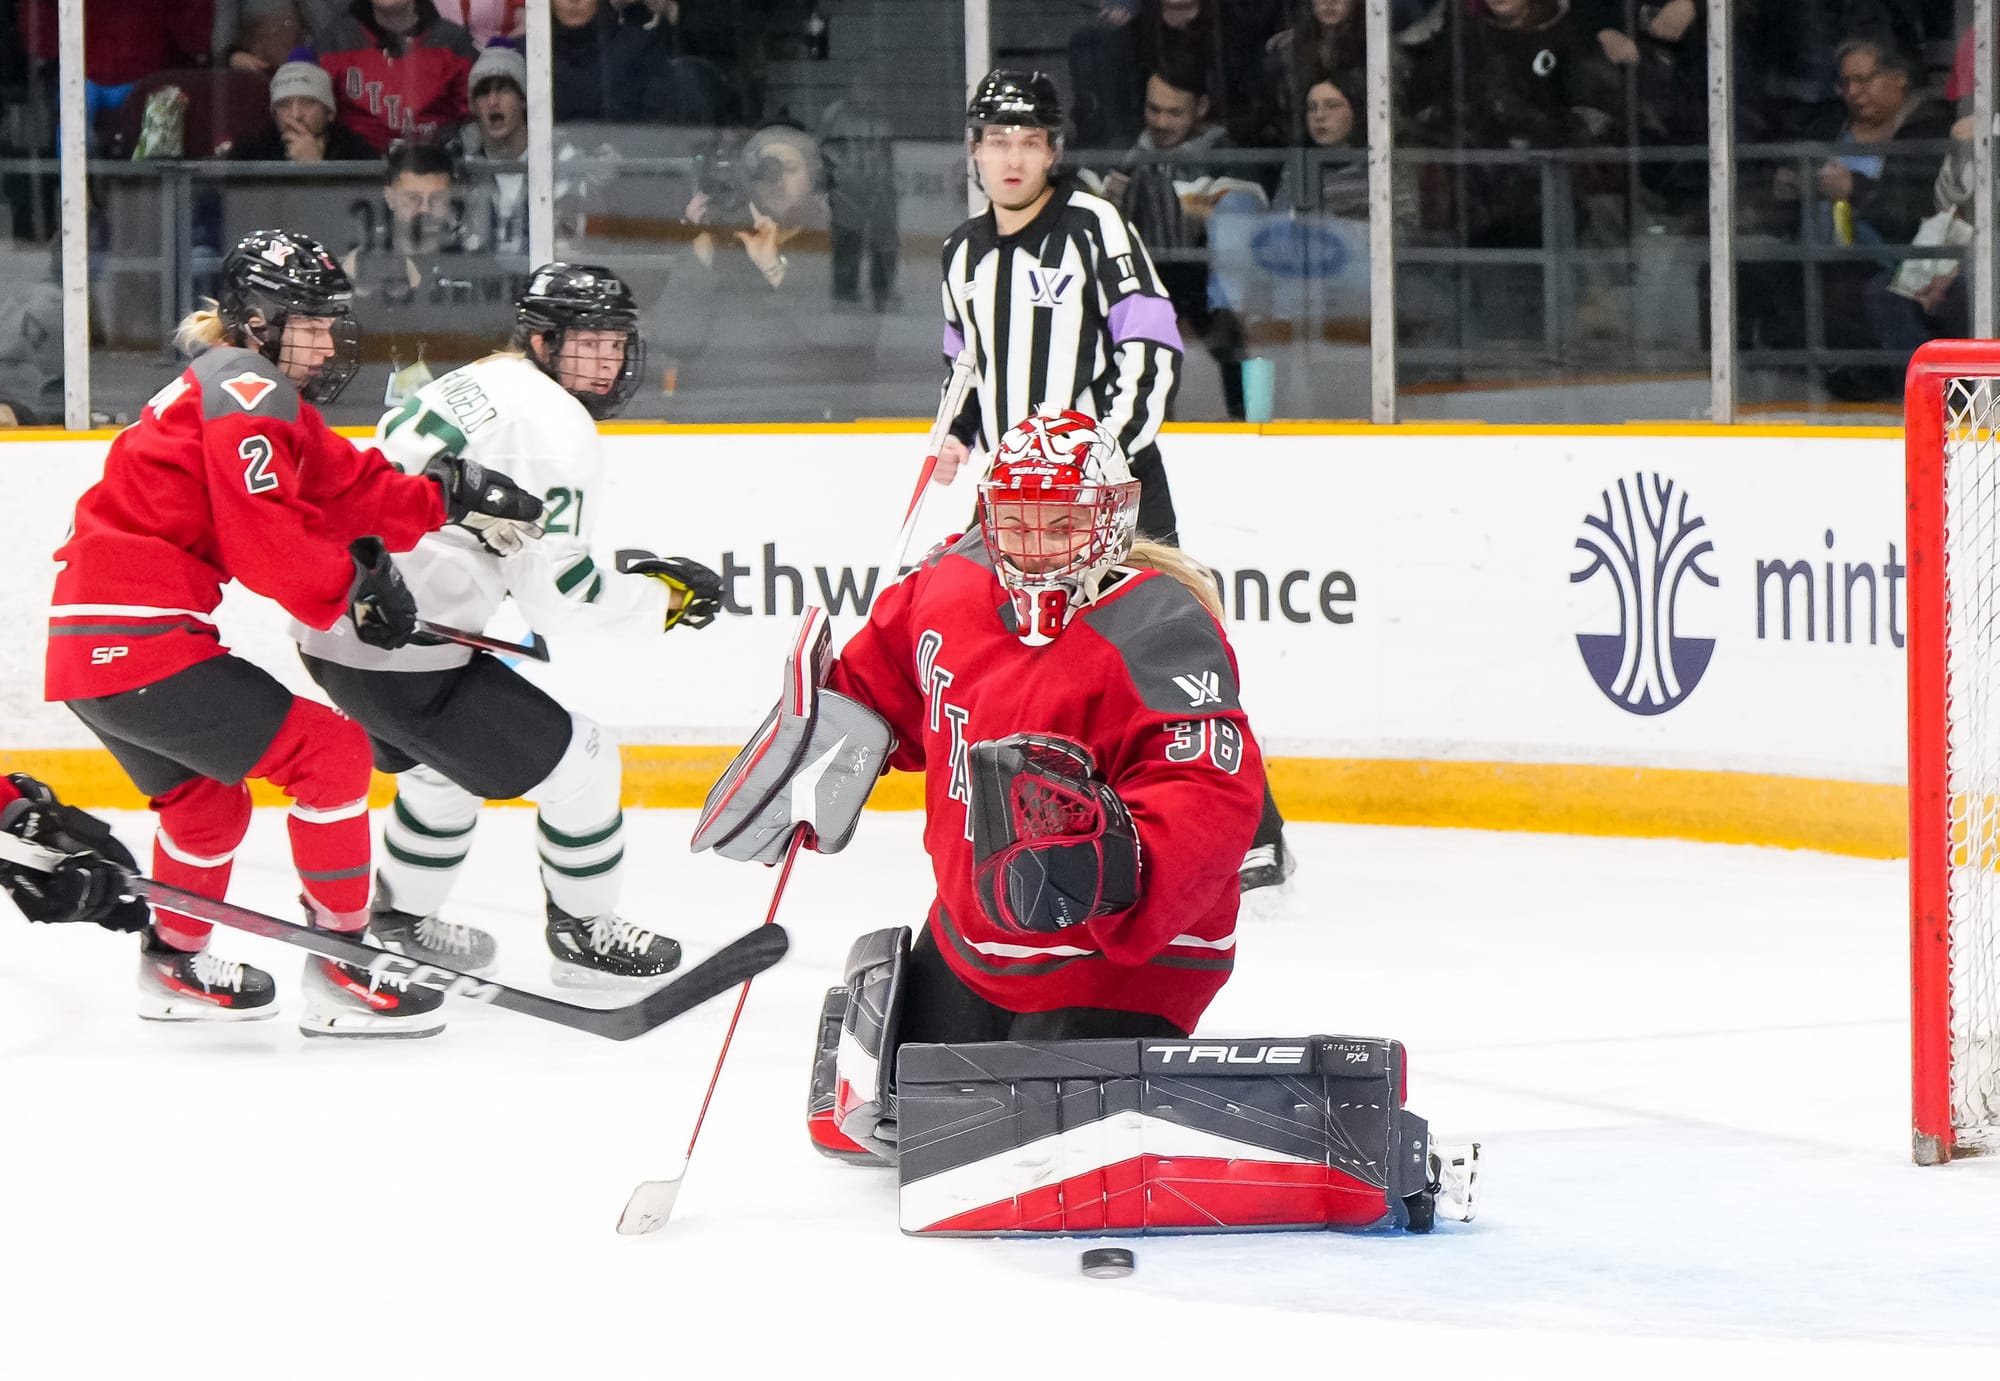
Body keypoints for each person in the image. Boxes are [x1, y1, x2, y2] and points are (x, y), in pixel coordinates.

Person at [691, 411, 1262, 1155]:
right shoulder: (952, 582)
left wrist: (1111, 862)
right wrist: (825, 734)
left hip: (1119, 964)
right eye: (1016, 523)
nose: (1034, 547)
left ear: (1114, 518)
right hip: (978, 937)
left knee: (1021, 1145)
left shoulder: (1158, 627)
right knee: (883, 1122)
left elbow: (1209, 789)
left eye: (1061, 525)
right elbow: (887, 670)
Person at [44, 227, 545, 1036]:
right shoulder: (247, 387)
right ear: (251, 322)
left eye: (326, 322)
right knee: (332, 756)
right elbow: (266, 539)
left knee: (206, 807)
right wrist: (357, 589)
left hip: (88, 645)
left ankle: (173, 963)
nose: (321, 340)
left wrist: (443, 498)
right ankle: (347, 965)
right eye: (302, 322)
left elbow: (342, 486)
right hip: (136, 637)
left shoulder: (238, 388)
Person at [293, 263, 724, 985]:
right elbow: (558, 596)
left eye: (615, 344)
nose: (607, 361)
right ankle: (584, 934)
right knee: (586, 761)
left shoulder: (483, 379)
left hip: (346, 621)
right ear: (540, 341)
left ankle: (398, 923)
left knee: (440, 777)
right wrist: (659, 602)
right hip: (407, 646)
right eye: (587, 344)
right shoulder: (558, 427)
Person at [934, 69, 1295, 899]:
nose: (1013, 157)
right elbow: (963, 366)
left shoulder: (1095, 228)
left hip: (1115, 486)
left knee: (1169, 648)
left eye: (1030, 141)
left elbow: (1153, 347)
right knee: (1030, 654)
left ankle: (1253, 827)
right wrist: (955, 436)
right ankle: (1054, 811)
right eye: (998, 141)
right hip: (1018, 498)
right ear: (976, 152)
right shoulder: (960, 254)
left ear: (1054, 150)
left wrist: (1100, 456)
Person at [313, 0, 478, 151]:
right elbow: (311, 113)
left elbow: (475, 117)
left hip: (436, 171)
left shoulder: (453, 43)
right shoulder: (334, 43)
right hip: (355, 173)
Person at [228, 56, 378, 162]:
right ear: (274, 114)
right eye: (284, 104)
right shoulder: (250, 152)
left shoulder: (356, 153)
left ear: (330, 113)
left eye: (307, 103)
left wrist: (316, 168)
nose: (295, 114)